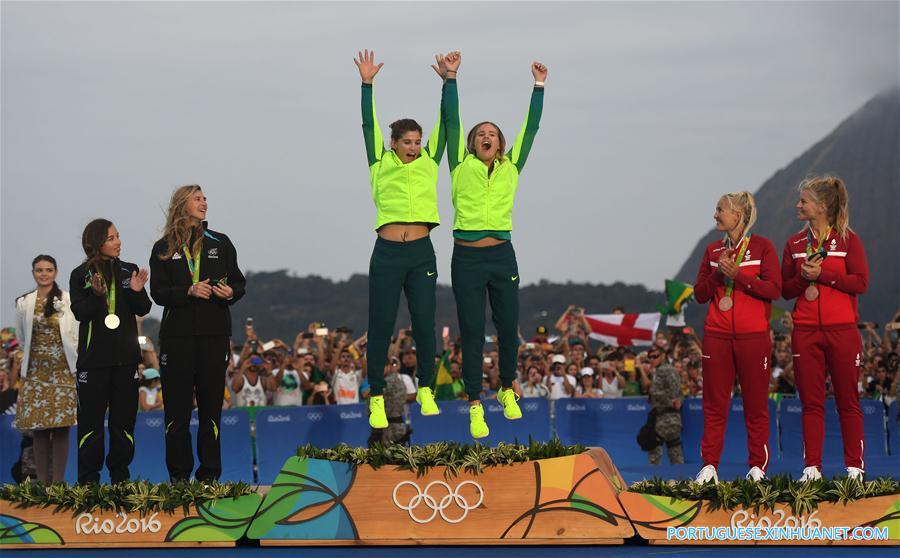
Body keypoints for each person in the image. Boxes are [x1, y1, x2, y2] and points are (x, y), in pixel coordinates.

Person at [441, 51, 547, 438]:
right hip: (466, 257)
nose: (487, 137)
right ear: (472, 144)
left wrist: (538, 87)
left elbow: (530, 130)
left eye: (493, 134)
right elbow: (452, 122)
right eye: (480, 134)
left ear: (501, 144)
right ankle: (474, 403)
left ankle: (506, 388)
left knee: (507, 325)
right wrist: (450, 78)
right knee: (471, 330)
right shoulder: (458, 164)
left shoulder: (511, 166)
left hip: (502, 254)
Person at [354, 49, 446, 428]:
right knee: (381, 324)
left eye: (417, 141)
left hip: (422, 252)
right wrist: (366, 84)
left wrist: (449, 83)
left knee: (425, 322)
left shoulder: (429, 162)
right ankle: (376, 395)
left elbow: (449, 124)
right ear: (393, 142)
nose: (413, 146)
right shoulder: (380, 160)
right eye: (406, 141)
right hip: (388, 252)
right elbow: (367, 124)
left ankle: (426, 387)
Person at [149, 184, 246, 482]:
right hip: (177, 339)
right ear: (182, 204)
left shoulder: (221, 242)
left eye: (205, 198)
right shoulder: (163, 247)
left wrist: (231, 292)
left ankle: (209, 477)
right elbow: (158, 293)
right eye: (197, 198)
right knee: (176, 413)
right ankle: (178, 478)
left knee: (210, 412)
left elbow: (239, 283)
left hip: (214, 337)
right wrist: (188, 290)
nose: (204, 202)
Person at [782, 175, 868, 481]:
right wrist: (804, 278)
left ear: (821, 207)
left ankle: (855, 468)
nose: (798, 205)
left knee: (848, 400)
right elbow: (786, 290)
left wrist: (825, 275)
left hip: (842, 330)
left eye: (803, 201)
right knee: (811, 403)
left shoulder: (848, 241)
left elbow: (860, 282)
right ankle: (812, 469)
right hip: (805, 331)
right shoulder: (794, 244)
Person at [693, 192, 780, 483]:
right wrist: (720, 274)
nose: (715, 215)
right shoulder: (712, 250)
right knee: (714, 404)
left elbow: (773, 291)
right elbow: (700, 295)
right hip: (716, 335)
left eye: (720, 210)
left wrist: (739, 275)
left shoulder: (763, 247)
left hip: (753, 336)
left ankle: (757, 467)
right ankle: (709, 466)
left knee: (756, 405)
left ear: (738, 215)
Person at [69, 219, 152, 484]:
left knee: (123, 425)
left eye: (118, 236)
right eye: (111, 238)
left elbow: (143, 308)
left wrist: (138, 292)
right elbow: (81, 313)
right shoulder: (80, 274)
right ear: (96, 243)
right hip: (93, 363)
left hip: (126, 361)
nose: (118, 242)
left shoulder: (129, 270)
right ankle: (89, 481)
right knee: (91, 426)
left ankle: (120, 479)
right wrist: (95, 295)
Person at [14, 255, 79, 483]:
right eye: (39, 270)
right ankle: (42, 482)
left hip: (63, 370)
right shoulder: (24, 303)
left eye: (48, 270)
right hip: (35, 372)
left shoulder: (68, 300)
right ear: (33, 273)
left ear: (56, 273)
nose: (44, 274)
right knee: (39, 430)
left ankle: (59, 482)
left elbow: (75, 334)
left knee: (62, 429)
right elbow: (21, 339)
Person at [647, 349, 684, 465]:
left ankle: (652, 480)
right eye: (650, 357)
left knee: (654, 453)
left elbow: (658, 393)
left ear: (663, 356)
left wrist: (652, 396)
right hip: (673, 417)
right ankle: (680, 480)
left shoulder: (662, 370)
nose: (652, 359)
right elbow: (679, 394)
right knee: (675, 452)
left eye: (655, 356)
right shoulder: (671, 370)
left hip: (663, 417)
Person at [368, 357, 411, 446]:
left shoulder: (383, 384)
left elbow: (371, 407)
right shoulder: (399, 381)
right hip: (399, 427)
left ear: (388, 367)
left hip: (386, 431)